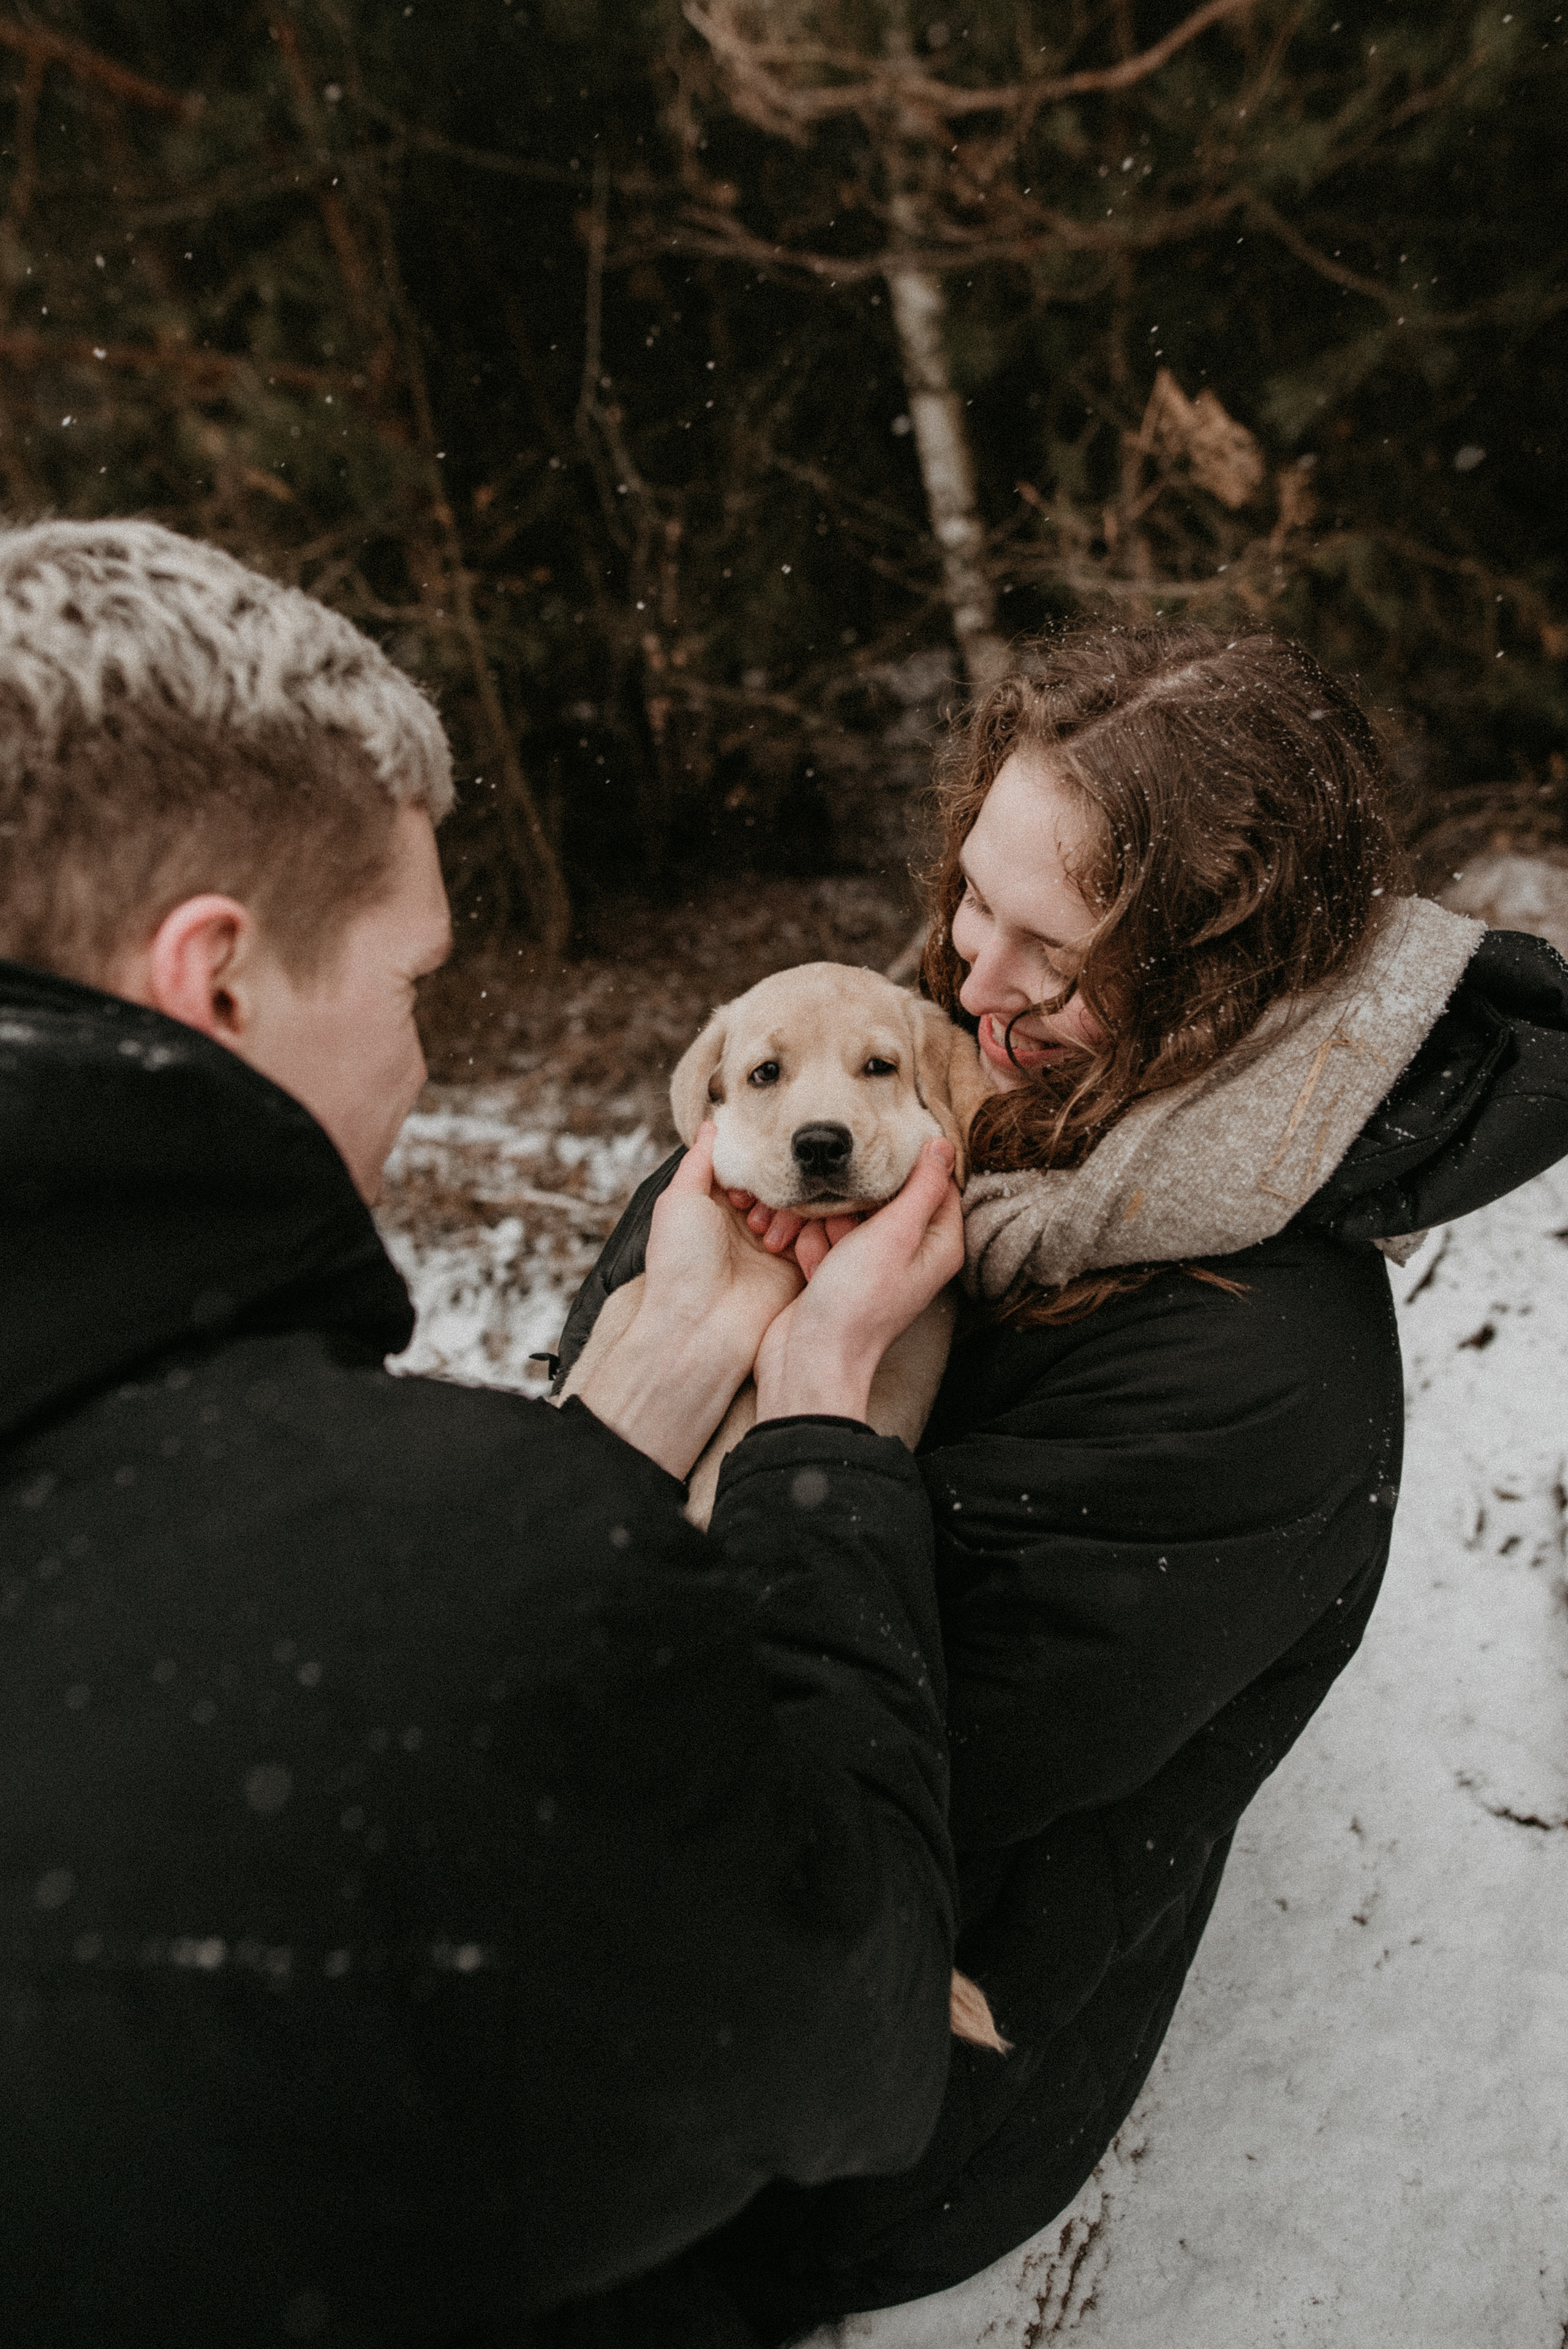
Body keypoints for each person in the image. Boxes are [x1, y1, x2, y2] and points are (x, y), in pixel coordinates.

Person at [0, 518, 971, 2349]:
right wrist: (823, 1436)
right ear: (214, 984)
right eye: (414, 987)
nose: (432, 1064)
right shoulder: (457, 1572)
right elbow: (857, 2040)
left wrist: (645, 1384)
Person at [557, 622, 1568, 2340]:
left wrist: (813, 1397)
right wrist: (675, 1331)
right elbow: (620, 1356)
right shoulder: (944, 1048)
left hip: (867, 2089)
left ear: (1218, 982)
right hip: (661, 1900)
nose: (971, 979)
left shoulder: (1260, 1371)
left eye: (1057, 949)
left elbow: (847, 1796)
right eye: (973, 900)